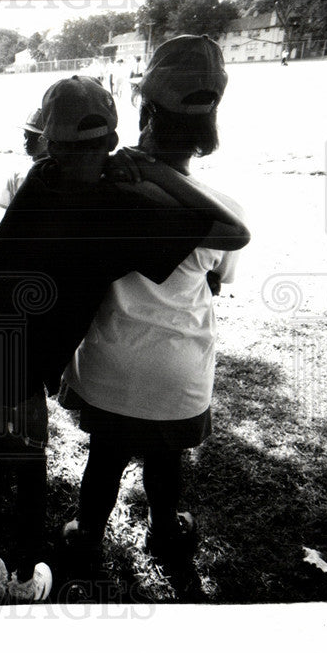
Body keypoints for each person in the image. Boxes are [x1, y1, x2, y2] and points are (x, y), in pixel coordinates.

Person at [0, 75, 249, 603]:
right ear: (112, 141)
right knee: (27, 473)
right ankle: (28, 579)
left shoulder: (41, 175)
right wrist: (150, 170)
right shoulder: (125, 204)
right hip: (11, 366)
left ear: (50, 141)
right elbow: (234, 232)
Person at [59, 35, 249, 582]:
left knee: (105, 459)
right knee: (167, 464)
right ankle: (166, 528)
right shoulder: (222, 213)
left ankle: (88, 533)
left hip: (109, 369)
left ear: (146, 108)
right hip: (178, 375)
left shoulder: (103, 190)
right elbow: (217, 281)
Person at [0, 107, 48, 210]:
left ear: (46, 138)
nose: (26, 142)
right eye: (25, 136)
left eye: (34, 137)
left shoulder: (59, 173)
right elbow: (4, 210)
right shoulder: (17, 173)